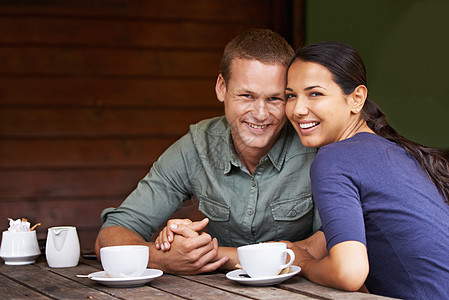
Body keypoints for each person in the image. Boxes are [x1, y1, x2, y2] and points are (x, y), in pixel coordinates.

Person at [95, 29, 320, 275]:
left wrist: (205, 254)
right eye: (247, 95)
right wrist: (164, 258)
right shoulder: (196, 146)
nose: (261, 113)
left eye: (275, 99)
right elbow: (110, 236)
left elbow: (330, 247)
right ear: (222, 88)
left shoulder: (316, 148)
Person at [283, 41, 449, 299]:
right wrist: (213, 253)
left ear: (356, 98)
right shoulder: (392, 152)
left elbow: (348, 272)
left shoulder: (334, 158)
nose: (297, 109)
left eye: (314, 93)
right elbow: (313, 246)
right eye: (291, 95)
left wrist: (303, 265)